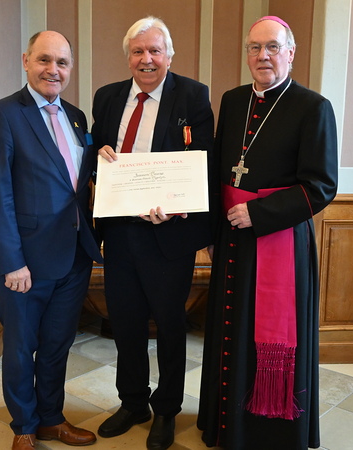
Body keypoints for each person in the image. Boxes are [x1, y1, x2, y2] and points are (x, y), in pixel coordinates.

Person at [197, 16, 338, 450]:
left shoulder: (313, 107)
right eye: (255, 47)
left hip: (280, 243)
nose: (263, 56)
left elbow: (321, 185)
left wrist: (258, 213)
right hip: (232, 237)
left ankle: (269, 431)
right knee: (229, 329)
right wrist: (212, 225)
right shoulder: (233, 100)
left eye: (273, 47)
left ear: (290, 53)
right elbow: (220, 167)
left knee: (265, 336)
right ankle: (227, 424)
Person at [90, 16, 214, 450]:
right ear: (128, 57)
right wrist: (98, 154)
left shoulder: (193, 96)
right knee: (124, 324)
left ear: (169, 56)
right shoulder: (107, 97)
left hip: (168, 236)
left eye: (155, 51)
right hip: (119, 233)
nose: (147, 59)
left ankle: (166, 410)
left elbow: (201, 161)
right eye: (138, 51)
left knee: (170, 325)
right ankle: (133, 402)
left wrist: (175, 206)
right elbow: (95, 153)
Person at [0, 31, 102, 450]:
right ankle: (24, 427)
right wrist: (11, 261)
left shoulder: (77, 117)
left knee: (57, 346)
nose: (53, 70)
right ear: (26, 61)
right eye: (44, 60)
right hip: (25, 262)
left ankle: (51, 419)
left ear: (70, 68)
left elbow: (78, 182)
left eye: (62, 62)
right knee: (20, 347)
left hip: (74, 255)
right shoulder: (2, 114)